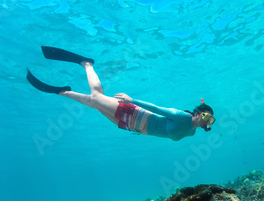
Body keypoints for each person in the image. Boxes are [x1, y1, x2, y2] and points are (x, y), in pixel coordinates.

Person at [26, 46, 215, 141]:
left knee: (94, 103)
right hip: (137, 113)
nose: (207, 121)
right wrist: (132, 100)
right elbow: (158, 109)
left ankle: (64, 92)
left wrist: (138, 131)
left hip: (134, 127)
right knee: (98, 98)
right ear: (198, 112)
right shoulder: (183, 117)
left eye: (211, 121)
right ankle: (86, 64)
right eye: (207, 116)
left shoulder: (191, 133)